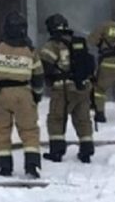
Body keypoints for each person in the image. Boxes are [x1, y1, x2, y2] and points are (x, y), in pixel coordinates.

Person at [0, 11, 45, 178]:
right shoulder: (30, 48)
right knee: (29, 131)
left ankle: (5, 167)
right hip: (24, 94)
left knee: (1, 131)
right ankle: (32, 166)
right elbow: (38, 75)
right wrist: (37, 94)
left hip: (2, 95)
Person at [38, 14, 96, 163]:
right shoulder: (78, 42)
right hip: (82, 87)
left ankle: (56, 152)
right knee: (83, 119)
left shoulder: (52, 45)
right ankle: (86, 150)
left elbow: (44, 65)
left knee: (56, 119)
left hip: (63, 88)